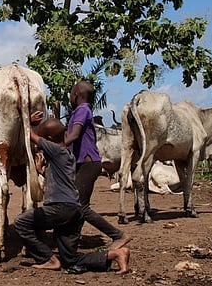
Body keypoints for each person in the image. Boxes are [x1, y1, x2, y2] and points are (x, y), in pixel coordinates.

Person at [13, 112, 130, 274]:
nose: (41, 146)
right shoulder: (67, 155)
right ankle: (115, 255)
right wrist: (42, 171)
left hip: (59, 209)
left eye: (43, 141)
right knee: (70, 259)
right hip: (74, 211)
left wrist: (26, 120)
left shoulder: (55, 150)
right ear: (66, 134)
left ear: (50, 140)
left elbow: (31, 136)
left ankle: (48, 259)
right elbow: (59, 181)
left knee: (21, 222)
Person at [65, 80, 132, 250]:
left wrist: (53, 145)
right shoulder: (82, 111)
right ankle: (72, 240)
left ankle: (118, 235)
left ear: (76, 95)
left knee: (81, 206)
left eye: (71, 94)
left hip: (88, 164)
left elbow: (73, 135)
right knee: (74, 203)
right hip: (82, 164)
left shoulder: (82, 110)